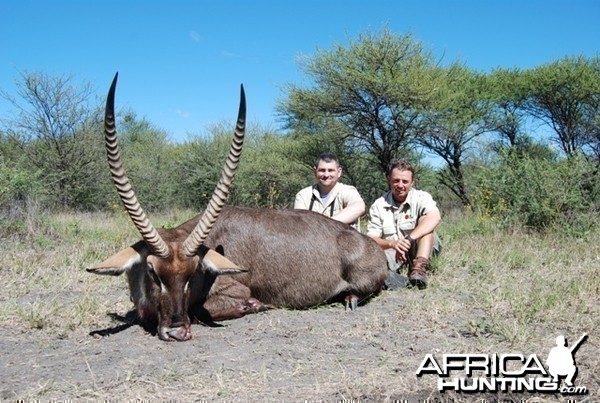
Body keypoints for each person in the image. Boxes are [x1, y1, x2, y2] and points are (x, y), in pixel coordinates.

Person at [367, 160, 442, 289]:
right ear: (389, 179)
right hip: (395, 252)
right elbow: (371, 239)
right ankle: (391, 278)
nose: (400, 185)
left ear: (412, 182)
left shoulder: (422, 197)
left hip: (419, 248)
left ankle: (419, 270)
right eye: (396, 180)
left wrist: (410, 239)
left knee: (426, 224)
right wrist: (392, 244)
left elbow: (435, 217)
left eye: (405, 181)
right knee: (370, 259)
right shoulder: (378, 205)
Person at [294, 153, 366, 228]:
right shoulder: (303, 195)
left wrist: (326, 224)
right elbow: (300, 224)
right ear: (315, 172)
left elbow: (359, 207)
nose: (326, 175)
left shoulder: (348, 191)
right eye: (322, 170)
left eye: (331, 170)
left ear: (339, 172)